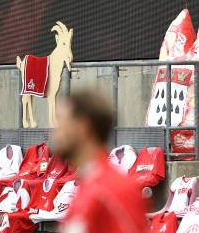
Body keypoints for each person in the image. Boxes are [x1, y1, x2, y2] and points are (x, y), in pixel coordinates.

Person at [54, 89, 148, 233]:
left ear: (82, 127)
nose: (55, 135)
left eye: (61, 125)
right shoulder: (86, 185)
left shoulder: (115, 190)